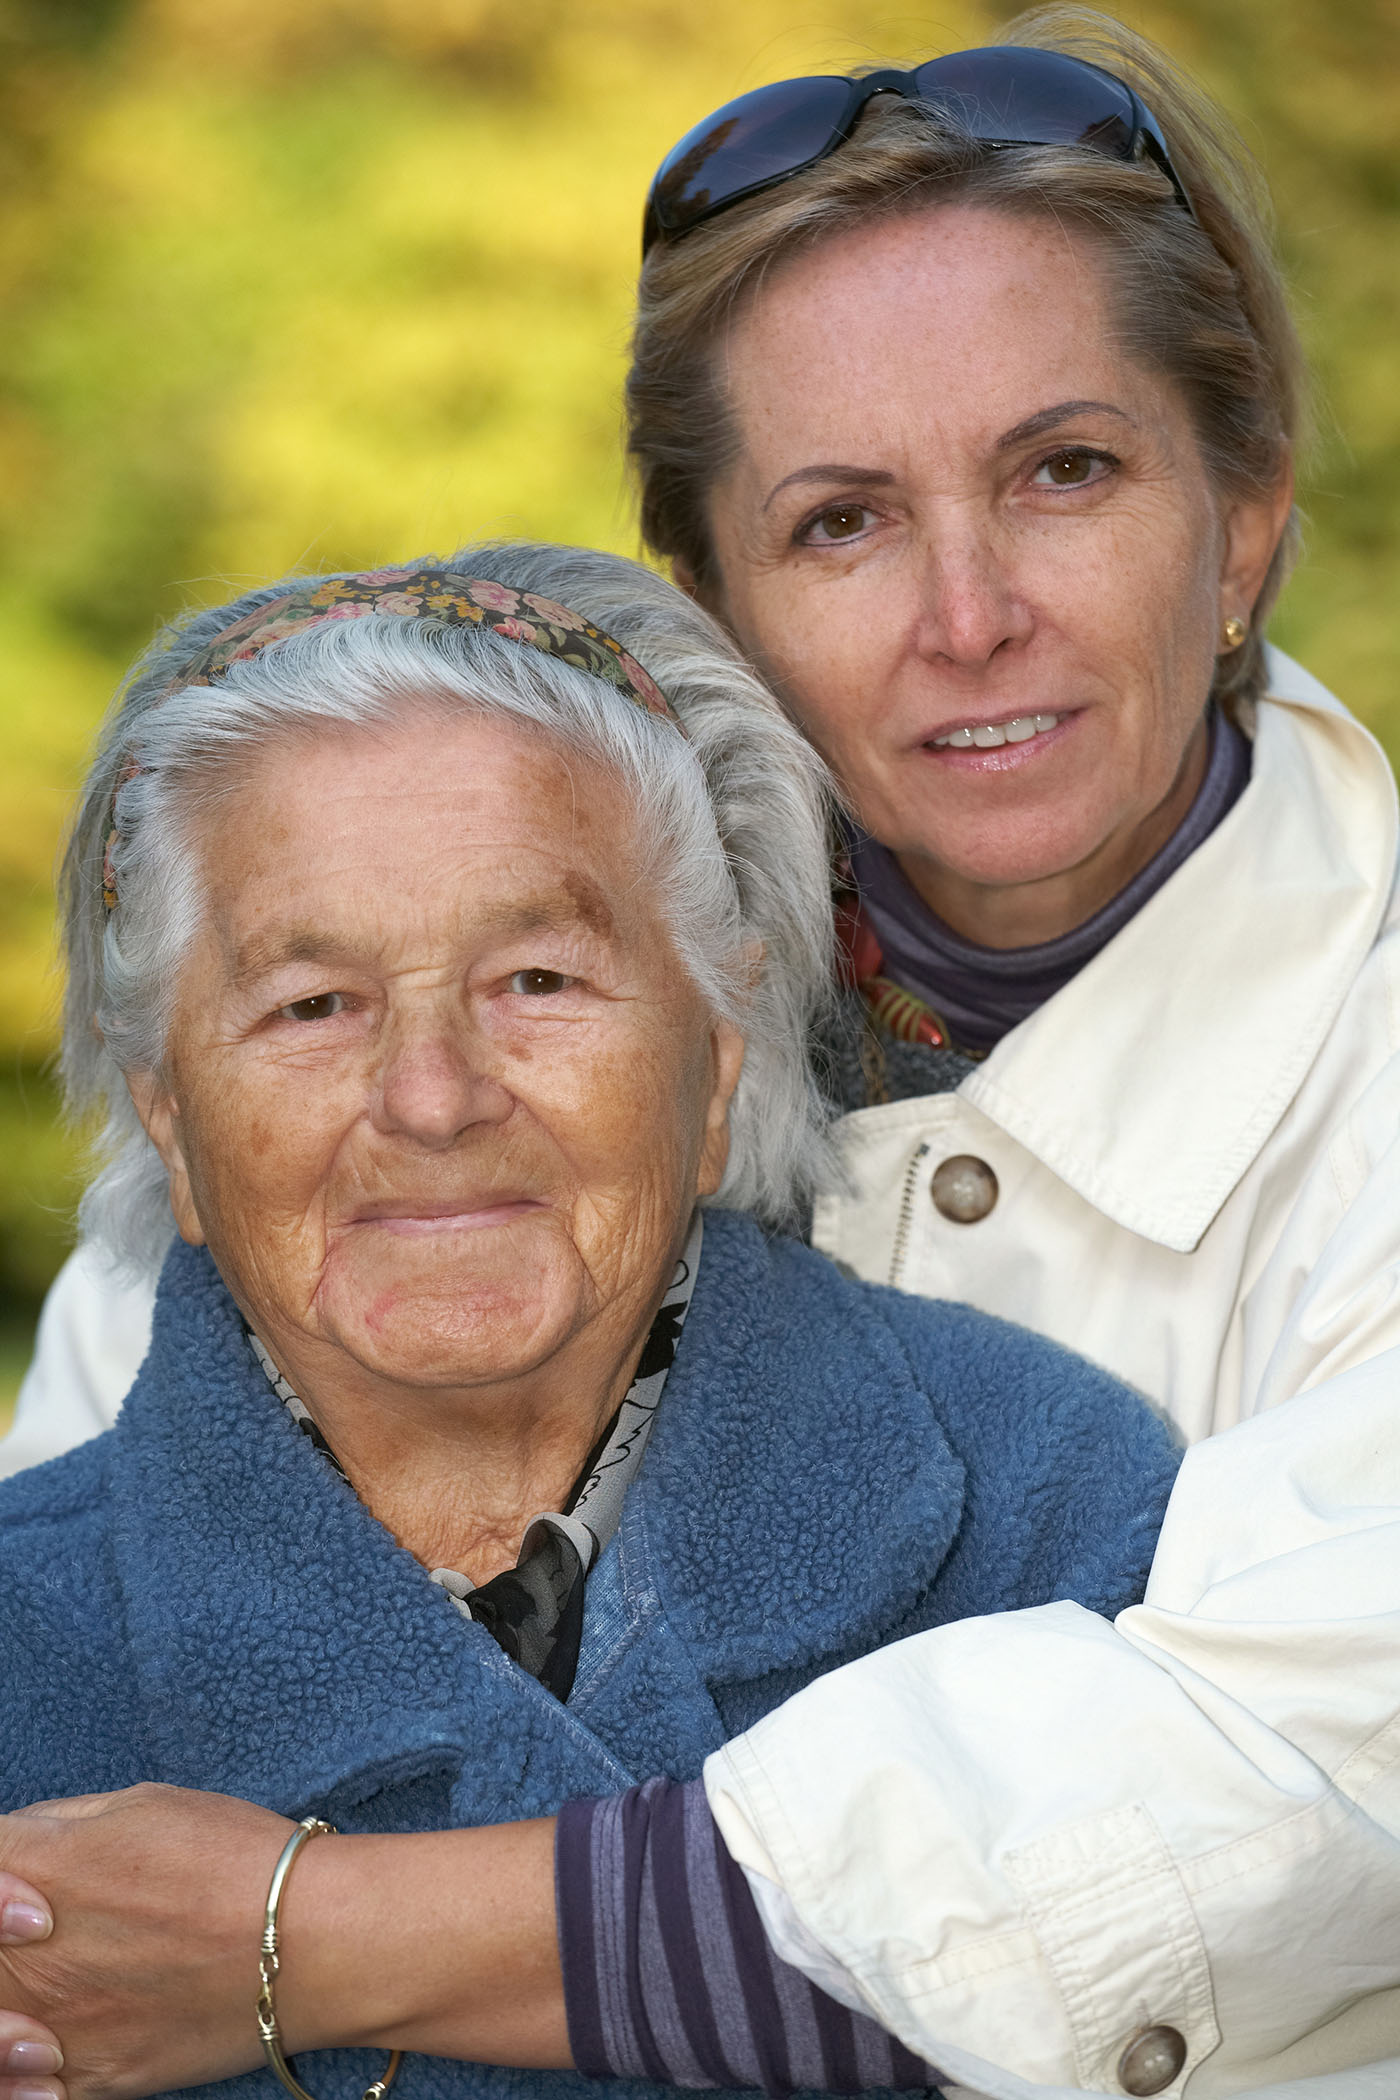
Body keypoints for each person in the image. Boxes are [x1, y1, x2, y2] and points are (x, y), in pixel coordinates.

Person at [2, 10, 1400, 2097]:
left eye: (1066, 471)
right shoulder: (308, 1127)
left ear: (1248, 518)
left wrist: (310, 1938)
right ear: (715, 598)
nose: (967, 609)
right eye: (841, 520)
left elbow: (1273, 1799)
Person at [0, 544, 1183, 2100]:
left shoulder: (1055, 1505)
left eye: (538, 976)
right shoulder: (23, 1644)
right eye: (312, 1005)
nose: (432, 1099)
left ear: (718, 1058)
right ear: (170, 1119)